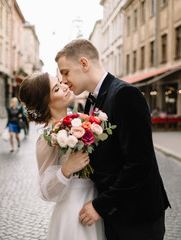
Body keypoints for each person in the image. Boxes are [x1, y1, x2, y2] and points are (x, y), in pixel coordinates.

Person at [55, 39, 171, 240]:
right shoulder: (91, 102)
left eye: (65, 72)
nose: (63, 80)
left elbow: (139, 164)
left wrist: (101, 205)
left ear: (84, 63)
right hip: (115, 215)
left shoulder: (125, 94)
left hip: (137, 216)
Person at [18, 72, 105, 240]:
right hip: (73, 211)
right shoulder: (47, 139)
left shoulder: (80, 120)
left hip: (94, 201)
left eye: (59, 82)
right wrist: (66, 169)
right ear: (46, 101)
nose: (65, 86)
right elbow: (46, 191)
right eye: (57, 88)